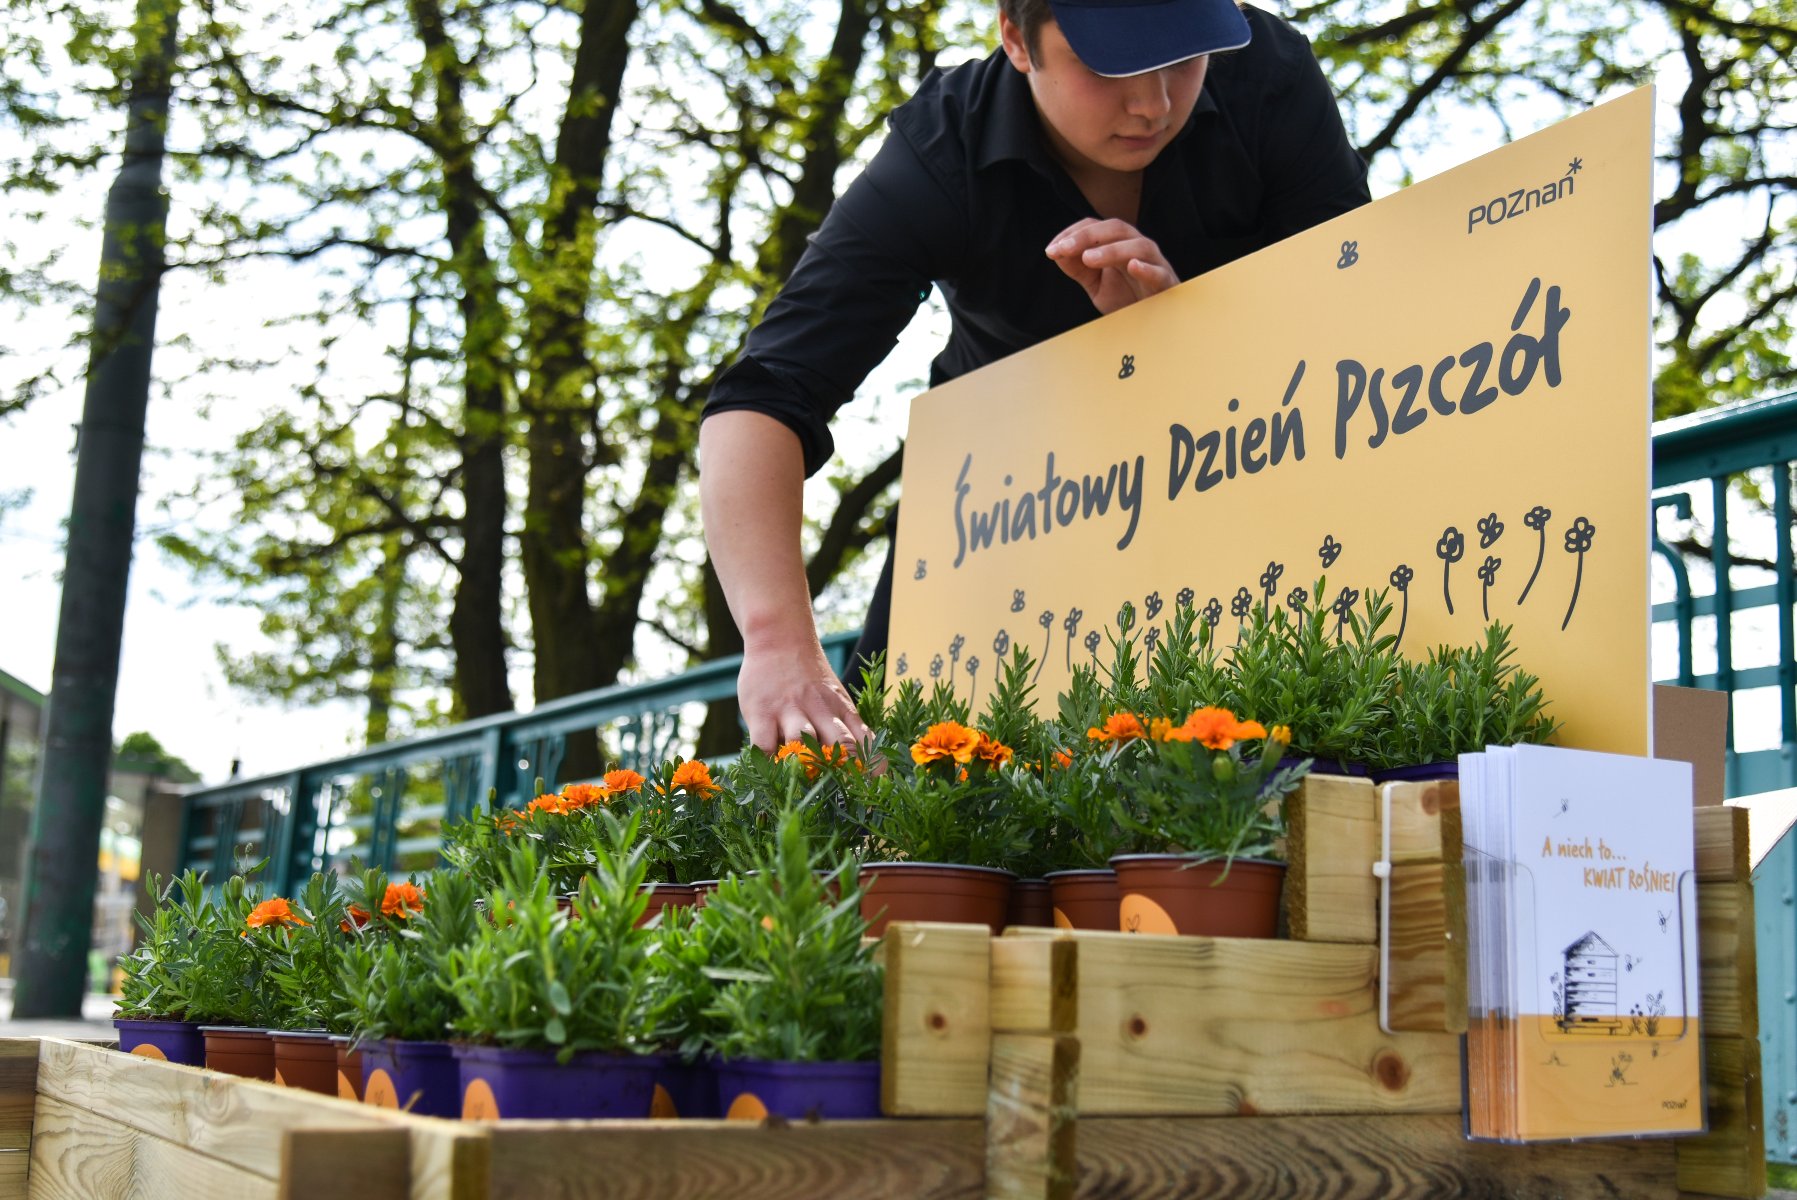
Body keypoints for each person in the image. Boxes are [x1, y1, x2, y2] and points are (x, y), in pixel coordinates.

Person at [700, 0, 1369, 751]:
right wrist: (777, 643)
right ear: (1016, 39)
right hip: (996, 514)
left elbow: (1348, 328)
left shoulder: (1270, 74)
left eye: (1183, 58)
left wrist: (1184, 342)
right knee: (886, 789)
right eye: (1110, 63)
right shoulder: (939, 151)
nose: (1152, 104)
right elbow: (764, 394)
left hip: (1245, 474)